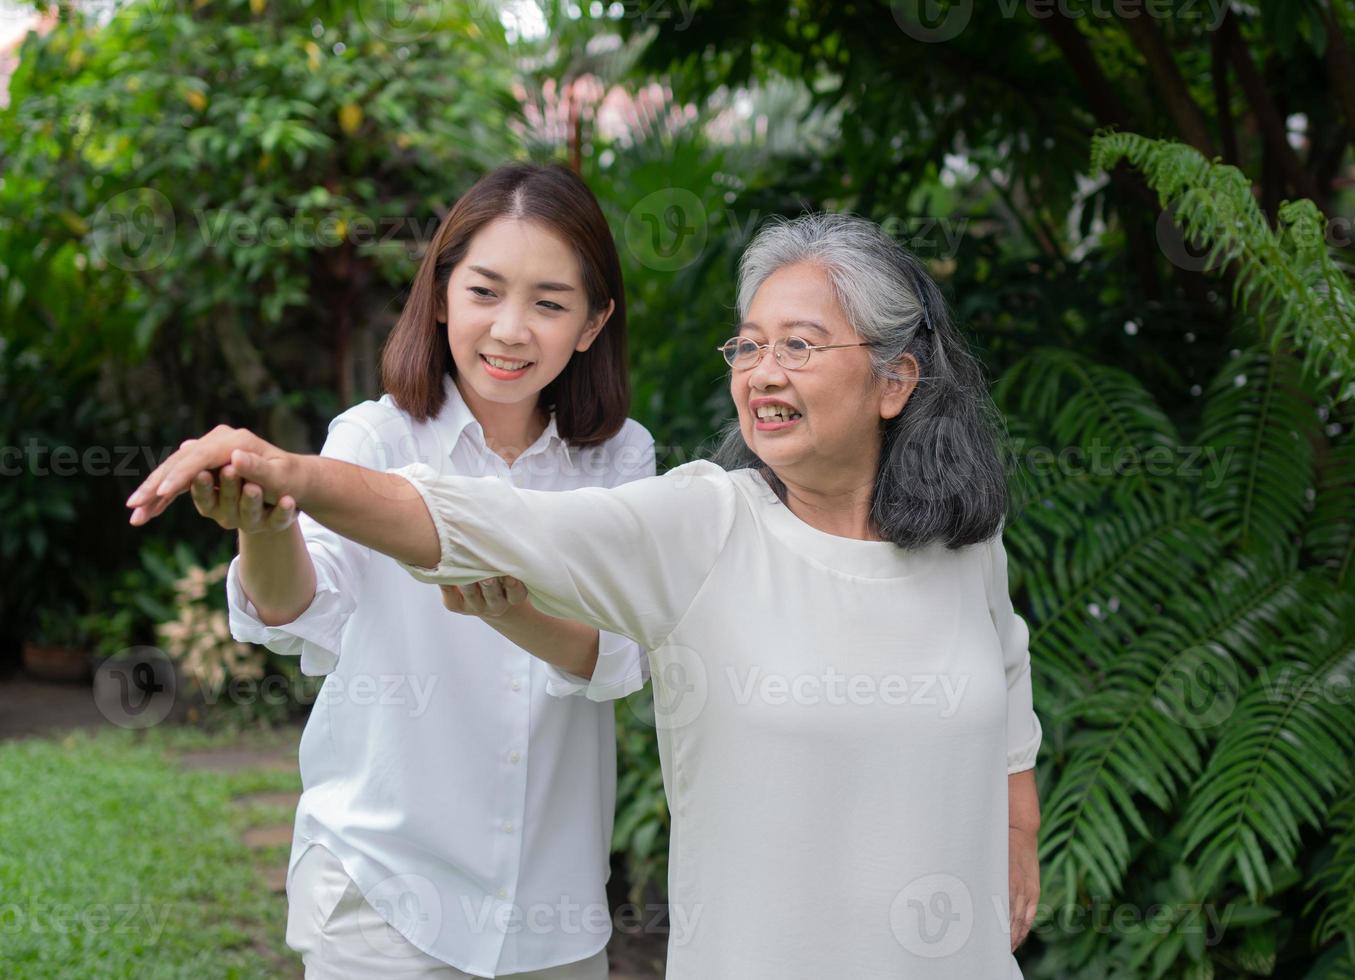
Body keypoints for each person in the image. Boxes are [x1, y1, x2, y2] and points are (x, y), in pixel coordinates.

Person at [129, 211, 1044, 979]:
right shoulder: (705, 519)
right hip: (400, 887)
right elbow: (488, 524)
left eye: (799, 347)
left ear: (896, 380)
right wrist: (289, 477)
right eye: (751, 345)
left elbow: (1003, 674)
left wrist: (1016, 818)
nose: (763, 372)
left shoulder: (964, 541)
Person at [181, 163, 653, 979]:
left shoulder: (620, 458)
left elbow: (623, 653)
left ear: (592, 322)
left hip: (553, 911)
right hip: (382, 896)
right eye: (484, 292)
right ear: (439, 295)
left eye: (548, 302)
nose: (510, 330)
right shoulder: (373, 440)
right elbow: (300, 610)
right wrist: (263, 526)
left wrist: (512, 613)